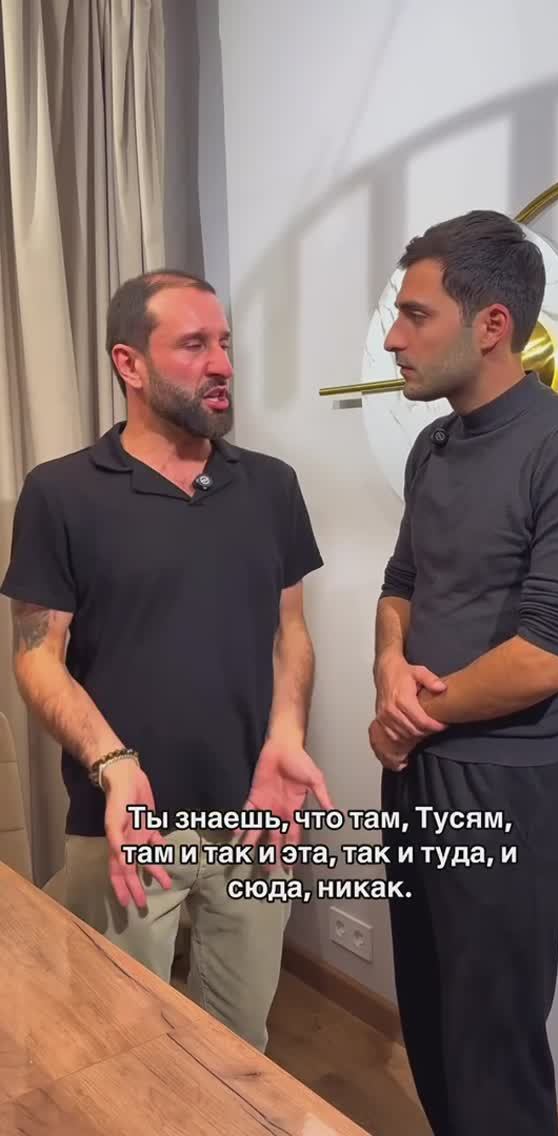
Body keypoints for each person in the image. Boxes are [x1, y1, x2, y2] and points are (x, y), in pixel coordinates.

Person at [1, 269, 331, 1053]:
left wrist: (287, 734)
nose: (222, 364)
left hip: (254, 818)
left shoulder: (271, 487)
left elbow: (289, 631)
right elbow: (38, 658)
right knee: (123, 1049)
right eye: (193, 345)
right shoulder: (61, 493)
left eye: (224, 343)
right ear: (131, 363)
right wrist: (114, 764)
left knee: (238, 1044)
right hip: (127, 824)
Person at [369, 211, 558, 1136]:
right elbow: (401, 585)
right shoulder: (432, 447)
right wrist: (389, 668)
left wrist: (409, 715)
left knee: (493, 1039)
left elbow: (551, 654)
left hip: (507, 785)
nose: (395, 339)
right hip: (416, 768)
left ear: (491, 324)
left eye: (416, 315)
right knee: (430, 1015)